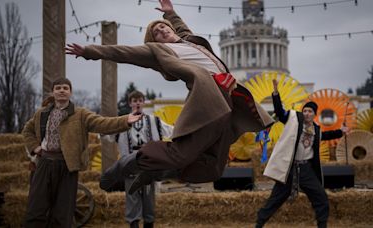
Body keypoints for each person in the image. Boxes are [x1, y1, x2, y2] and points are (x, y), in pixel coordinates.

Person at [66, 0, 273, 194]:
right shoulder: (159, 50)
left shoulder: (190, 42)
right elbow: (123, 52)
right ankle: (129, 162)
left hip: (228, 102)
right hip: (209, 102)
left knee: (213, 167)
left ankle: (154, 172)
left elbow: (181, 28)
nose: (162, 30)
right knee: (180, 153)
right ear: (154, 41)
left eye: (164, 27)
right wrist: (90, 51)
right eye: (156, 32)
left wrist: (170, 13)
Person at [22, 78, 142, 227]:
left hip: (67, 166)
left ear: (70, 92)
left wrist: (125, 121)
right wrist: (35, 147)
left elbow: (102, 123)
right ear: (53, 92)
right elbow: (27, 130)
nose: (61, 90)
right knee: (36, 209)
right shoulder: (42, 113)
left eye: (65, 88)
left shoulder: (80, 114)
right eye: (58, 88)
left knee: (63, 212)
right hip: (44, 164)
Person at [255, 79, 349, 228]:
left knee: (321, 198)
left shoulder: (316, 129)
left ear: (314, 114)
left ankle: (322, 225)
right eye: (305, 110)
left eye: (309, 111)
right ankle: (259, 224)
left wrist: (341, 132)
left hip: (306, 170)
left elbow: (326, 136)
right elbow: (279, 112)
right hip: (290, 169)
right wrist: (275, 92)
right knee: (275, 199)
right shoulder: (294, 119)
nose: (306, 113)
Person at [105, 90, 173, 228]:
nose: (137, 103)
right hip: (130, 164)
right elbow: (107, 133)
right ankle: (133, 223)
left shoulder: (154, 121)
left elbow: (171, 130)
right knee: (132, 195)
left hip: (148, 164)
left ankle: (149, 222)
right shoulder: (122, 122)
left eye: (140, 100)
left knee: (149, 196)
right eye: (134, 101)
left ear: (143, 102)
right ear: (130, 103)